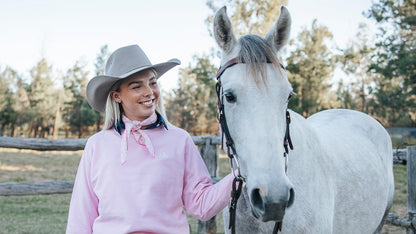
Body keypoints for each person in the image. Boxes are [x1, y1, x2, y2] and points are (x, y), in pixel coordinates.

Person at [66, 44, 234, 234]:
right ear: (116, 96)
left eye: (152, 83)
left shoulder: (179, 140)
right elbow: (80, 218)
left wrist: (241, 174)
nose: (149, 92)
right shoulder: (97, 145)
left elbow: (202, 206)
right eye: (137, 86)